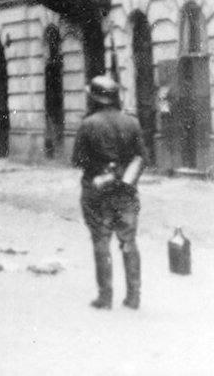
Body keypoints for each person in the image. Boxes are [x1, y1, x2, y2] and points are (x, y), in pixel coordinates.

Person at [72, 75, 147, 310]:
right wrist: (122, 175)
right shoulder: (132, 122)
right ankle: (133, 297)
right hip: (125, 190)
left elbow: (77, 160)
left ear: (94, 98)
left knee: (101, 241)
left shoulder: (88, 124)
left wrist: (101, 170)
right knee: (128, 241)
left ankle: (105, 297)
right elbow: (142, 158)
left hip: (97, 191)